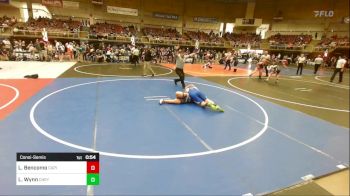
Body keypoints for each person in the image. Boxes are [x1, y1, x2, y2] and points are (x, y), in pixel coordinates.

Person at [159, 84, 224, 112]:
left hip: (190, 96)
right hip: (196, 93)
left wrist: (185, 90)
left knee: (177, 95)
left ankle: (164, 101)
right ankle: (215, 105)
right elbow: (191, 85)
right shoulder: (194, 87)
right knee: (206, 99)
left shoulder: (187, 90)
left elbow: (188, 87)